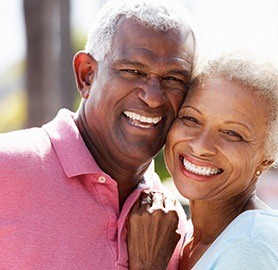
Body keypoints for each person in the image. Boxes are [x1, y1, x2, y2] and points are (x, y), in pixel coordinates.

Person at [0, 0, 198, 269]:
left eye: (174, 79)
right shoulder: (6, 169)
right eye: (132, 71)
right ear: (87, 76)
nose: (153, 97)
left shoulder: (173, 222)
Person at [129, 39, 278, 269]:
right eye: (191, 119)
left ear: (267, 157)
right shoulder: (193, 237)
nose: (201, 146)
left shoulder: (248, 247)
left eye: (232, 134)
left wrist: (148, 266)